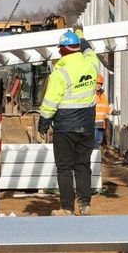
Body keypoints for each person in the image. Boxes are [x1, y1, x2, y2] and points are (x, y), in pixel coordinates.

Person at [38, 30, 103, 215]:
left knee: (65, 168)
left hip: (65, 128)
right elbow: (89, 50)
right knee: (83, 165)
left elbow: (50, 102)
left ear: (62, 51)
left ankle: (67, 208)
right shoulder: (91, 64)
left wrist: (43, 122)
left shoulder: (60, 72)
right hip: (87, 126)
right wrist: (81, 35)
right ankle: (85, 204)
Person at [94, 77, 109, 148]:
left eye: (100, 84)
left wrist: (113, 111)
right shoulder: (92, 94)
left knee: (99, 139)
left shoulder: (103, 94)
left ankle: (96, 152)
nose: (98, 85)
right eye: (97, 83)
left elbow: (106, 106)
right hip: (94, 120)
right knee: (93, 139)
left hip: (101, 121)